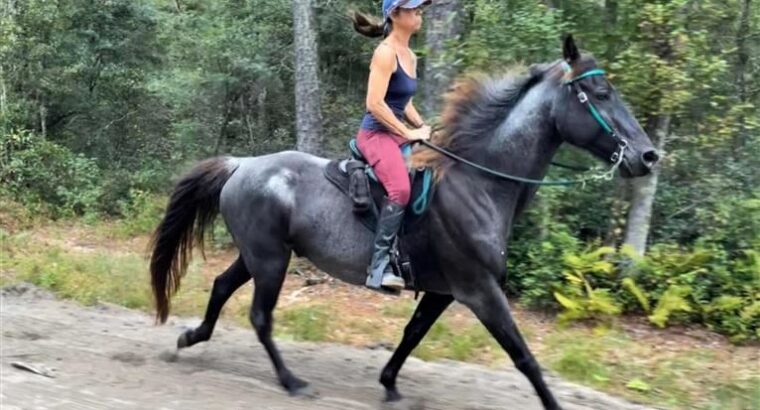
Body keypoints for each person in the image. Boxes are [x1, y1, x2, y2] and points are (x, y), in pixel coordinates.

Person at [351, 0, 432, 292]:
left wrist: (423, 128)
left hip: (396, 133)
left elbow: (404, 101)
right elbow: (374, 103)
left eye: (419, 8)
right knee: (400, 189)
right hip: (375, 135)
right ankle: (378, 268)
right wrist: (409, 133)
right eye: (413, 9)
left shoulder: (409, 56)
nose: (419, 12)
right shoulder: (384, 53)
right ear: (395, 15)